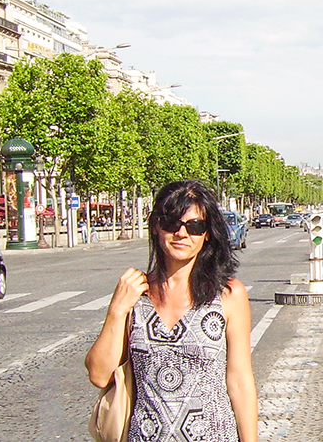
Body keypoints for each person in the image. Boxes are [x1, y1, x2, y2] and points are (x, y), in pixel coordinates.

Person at [85, 180, 258, 442]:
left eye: (195, 226)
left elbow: (240, 382)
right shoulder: (136, 294)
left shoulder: (227, 295)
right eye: (171, 223)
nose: (181, 233)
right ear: (156, 227)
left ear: (207, 234)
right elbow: (99, 376)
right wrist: (117, 310)